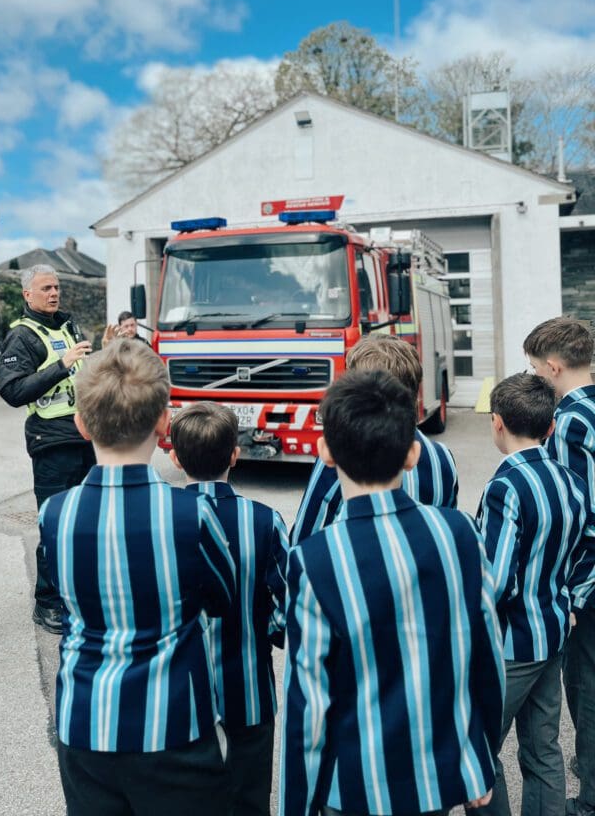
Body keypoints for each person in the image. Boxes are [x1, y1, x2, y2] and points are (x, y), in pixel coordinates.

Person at [280, 369, 504, 816]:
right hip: (440, 777)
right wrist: (479, 755)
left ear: (325, 453)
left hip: (357, 787)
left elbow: (308, 705)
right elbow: (487, 654)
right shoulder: (458, 533)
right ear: (412, 454)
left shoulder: (315, 558)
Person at [38, 338, 236, 816]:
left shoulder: (55, 513)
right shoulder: (192, 514)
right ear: (164, 422)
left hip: (84, 722)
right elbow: (221, 597)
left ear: (81, 424)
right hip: (172, 724)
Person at [475, 372, 588, 816]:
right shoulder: (571, 481)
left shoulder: (506, 487)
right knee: (543, 749)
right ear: (551, 427)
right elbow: (582, 547)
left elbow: (497, 580)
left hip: (510, 644)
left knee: (479, 748)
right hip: (553, 631)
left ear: (497, 423)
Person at [169, 402, 288, 816]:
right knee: (249, 800)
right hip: (248, 691)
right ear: (235, 455)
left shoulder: (164, 520)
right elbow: (285, 613)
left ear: (174, 457)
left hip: (178, 695)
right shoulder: (265, 521)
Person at [0, 264, 95, 633]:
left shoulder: (68, 327)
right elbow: (13, 391)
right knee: (55, 526)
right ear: (28, 295)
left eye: (56, 287)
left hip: (86, 439)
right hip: (51, 443)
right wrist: (61, 366)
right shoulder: (22, 336)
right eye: (45, 288)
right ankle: (47, 603)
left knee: (84, 524)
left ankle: (77, 596)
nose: (53, 293)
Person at [524, 317, 595, 816]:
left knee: (587, 689)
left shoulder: (570, 420)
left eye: (535, 369)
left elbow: (576, 508)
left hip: (590, 581)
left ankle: (591, 796)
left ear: (553, 367)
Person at [290, 335, 458, 546]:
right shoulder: (442, 458)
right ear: (414, 396)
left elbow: (306, 536)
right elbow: (447, 527)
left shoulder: (343, 454)